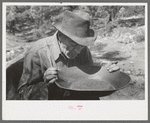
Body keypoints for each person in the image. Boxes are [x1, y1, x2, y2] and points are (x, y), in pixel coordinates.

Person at [17, 10, 119, 100]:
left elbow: (89, 78)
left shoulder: (83, 50)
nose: (78, 51)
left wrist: (105, 72)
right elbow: (23, 94)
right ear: (61, 35)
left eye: (82, 45)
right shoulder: (37, 51)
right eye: (74, 44)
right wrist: (45, 85)